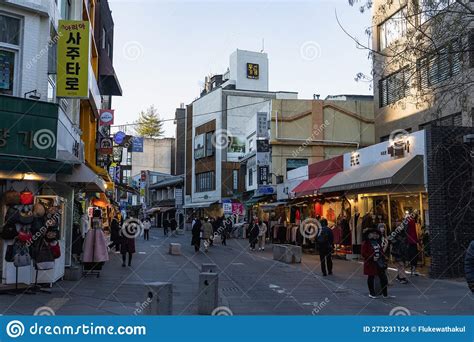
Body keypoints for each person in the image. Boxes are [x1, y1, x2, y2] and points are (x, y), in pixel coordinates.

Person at [362, 228, 392, 299]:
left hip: (379, 263)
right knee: (371, 277)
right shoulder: (366, 242)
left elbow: (381, 251)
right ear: (369, 234)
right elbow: (363, 253)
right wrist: (372, 258)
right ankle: (371, 293)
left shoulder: (377, 242)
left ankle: (385, 294)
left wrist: (384, 257)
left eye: (376, 234)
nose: (375, 235)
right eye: (373, 233)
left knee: (383, 278)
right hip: (370, 263)